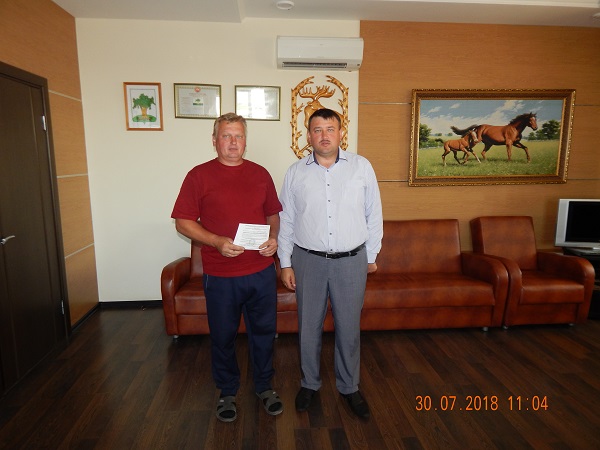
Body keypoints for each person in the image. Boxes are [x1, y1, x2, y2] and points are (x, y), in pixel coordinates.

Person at [171, 112, 284, 423]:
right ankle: (227, 391)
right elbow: (182, 222)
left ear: (245, 141)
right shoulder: (198, 176)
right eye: (226, 136)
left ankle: (264, 386)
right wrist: (216, 241)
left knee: (264, 333)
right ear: (214, 140)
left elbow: (273, 215)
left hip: (261, 271)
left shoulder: (260, 174)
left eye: (238, 136)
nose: (233, 142)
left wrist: (274, 237)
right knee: (223, 336)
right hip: (221, 275)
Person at [278, 108, 383, 419]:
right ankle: (309, 383)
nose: (324, 135)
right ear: (308, 135)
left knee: (349, 328)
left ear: (341, 133)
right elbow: (286, 220)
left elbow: (374, 214)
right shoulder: (295, 172)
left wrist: (371, 256)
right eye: (317, 129)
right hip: (307, 261)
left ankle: (349, 386)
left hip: (351, 262)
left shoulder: (361, 167)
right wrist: (285, 262)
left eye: (330, 129)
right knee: (308, 327)